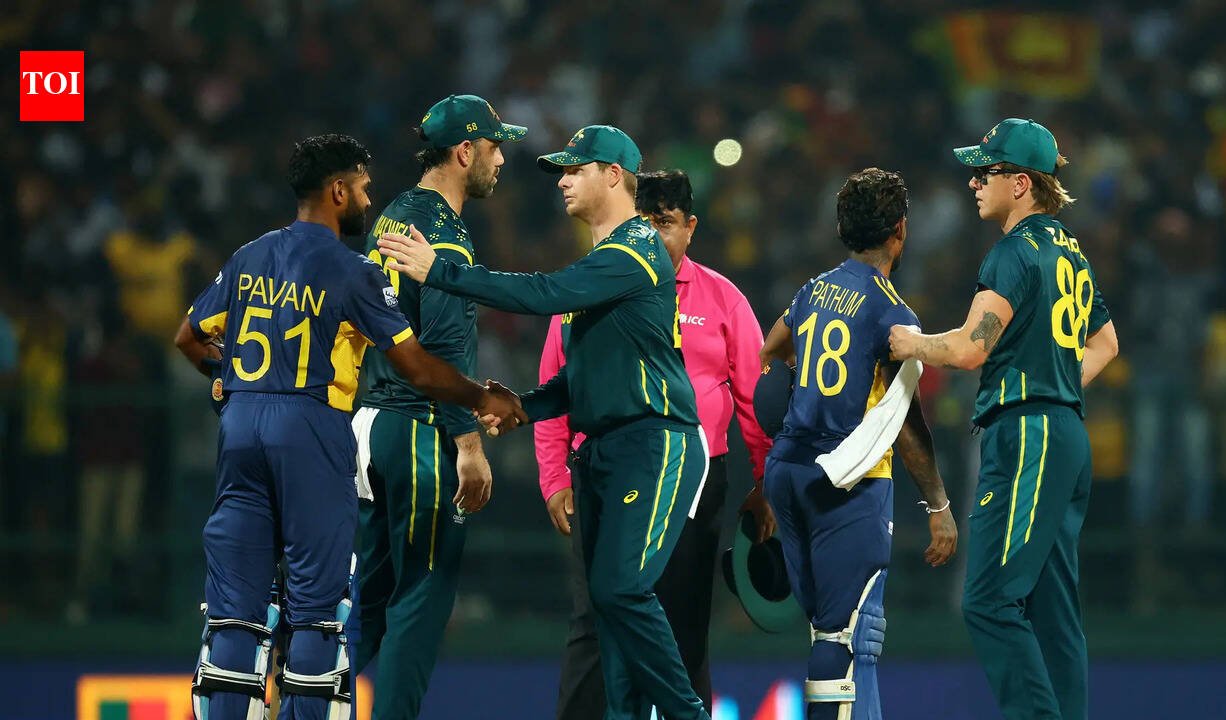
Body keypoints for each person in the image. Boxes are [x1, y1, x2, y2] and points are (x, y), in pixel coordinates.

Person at [173, 133, 525, 720]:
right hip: (312, 430)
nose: (368, 199)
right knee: (319, 608)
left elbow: (188, 337)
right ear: (338, 191)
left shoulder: (249, 254)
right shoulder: (353, 271)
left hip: (241, 431)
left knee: (235, 610)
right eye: (362, 188)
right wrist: (481, 395)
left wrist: (226, 377)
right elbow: (417, 367)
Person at [378, 125, 713, 720]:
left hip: (654, 442)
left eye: (574, 169)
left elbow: (543, 293)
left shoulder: (637, 248)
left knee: (620, 590)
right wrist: (523, 406)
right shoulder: (606, 261)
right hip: (607, 449)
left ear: (613, 175)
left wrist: (442, 271)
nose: (561, 181)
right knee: (611, 609)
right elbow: (583, 374)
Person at [889, 118, 1119, 720]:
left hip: (1027, 434)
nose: (973, 182)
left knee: (989, 600)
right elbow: (1106, 344)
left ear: (1021, 183)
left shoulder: (1014, 252)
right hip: (1065, 433)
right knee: (1054, 611)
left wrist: (910, 342)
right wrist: (1057, 383)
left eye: (985, 171)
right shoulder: (1071, 253)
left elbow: (970, 349)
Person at [537, 169, 775, 719]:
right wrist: (554, 478)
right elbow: (556, 383)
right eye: (641, 221)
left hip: (693, 482)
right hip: (603, 473)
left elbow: (754, 401)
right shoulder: (593, 284)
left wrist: (766, 482)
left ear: (690, 227)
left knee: (683, 622)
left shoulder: (724, 299)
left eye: (664, 223)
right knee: (595, 622)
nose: (651, 234)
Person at [350, 94, 526, 720]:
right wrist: (469, 446)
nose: (501, 159)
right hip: (418, 432)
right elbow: (445, 346)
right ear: (464, 151)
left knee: (368, 601)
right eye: (495, 146)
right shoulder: (445, 235)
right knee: (421, 600)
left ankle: (300, 706)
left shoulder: (392, 215)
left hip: (369, 425)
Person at [760, 167, 957, 720]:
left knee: (828, 634)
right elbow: (906, 423)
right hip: (846, 483)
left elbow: (769, 353)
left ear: (842, 228)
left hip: (787, 471)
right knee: (853, 637)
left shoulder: (810, 291)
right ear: (900, 230)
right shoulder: (893, 312)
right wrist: (938, 505)